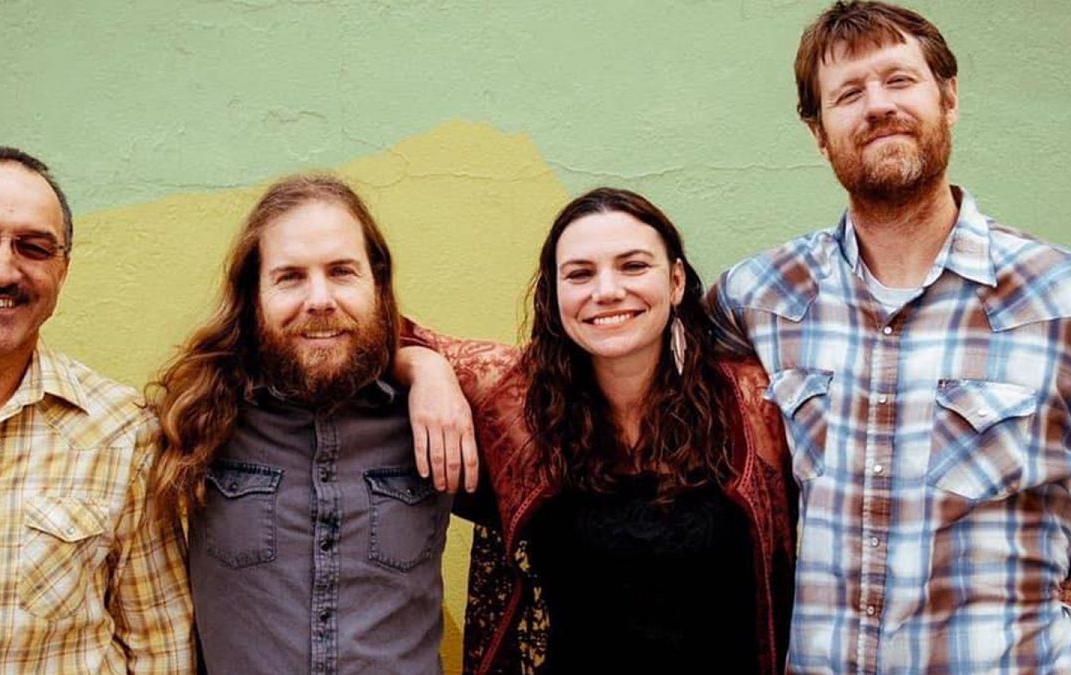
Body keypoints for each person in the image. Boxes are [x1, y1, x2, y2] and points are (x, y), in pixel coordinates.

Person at [706, 2, 1071, 672]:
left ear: (949, 99)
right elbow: (627, 358)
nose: (877, 105)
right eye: (848, 94)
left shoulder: (1057, 297)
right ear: (819, 134)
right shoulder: (760, 296)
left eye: (899, 80)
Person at [398, 187, 795, 674]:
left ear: (675, 282)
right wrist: (424, 369)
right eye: (580, 274)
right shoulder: (518, 399)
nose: (606, 291)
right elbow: (375, 333)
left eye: (633, 266)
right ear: (555, 293)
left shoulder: (753, 402)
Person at [0, 147, 194, 671]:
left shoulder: (122, 432)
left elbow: (160, 647)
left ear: (63, 271)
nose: (2, 270)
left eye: (34, 248)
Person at [146, 174, 474, 674]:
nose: (319, 299)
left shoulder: (439, 415)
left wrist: (430, 366)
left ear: (377, 283)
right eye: (290, 277)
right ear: (254, 293)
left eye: (341, 271)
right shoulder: (193, 418)